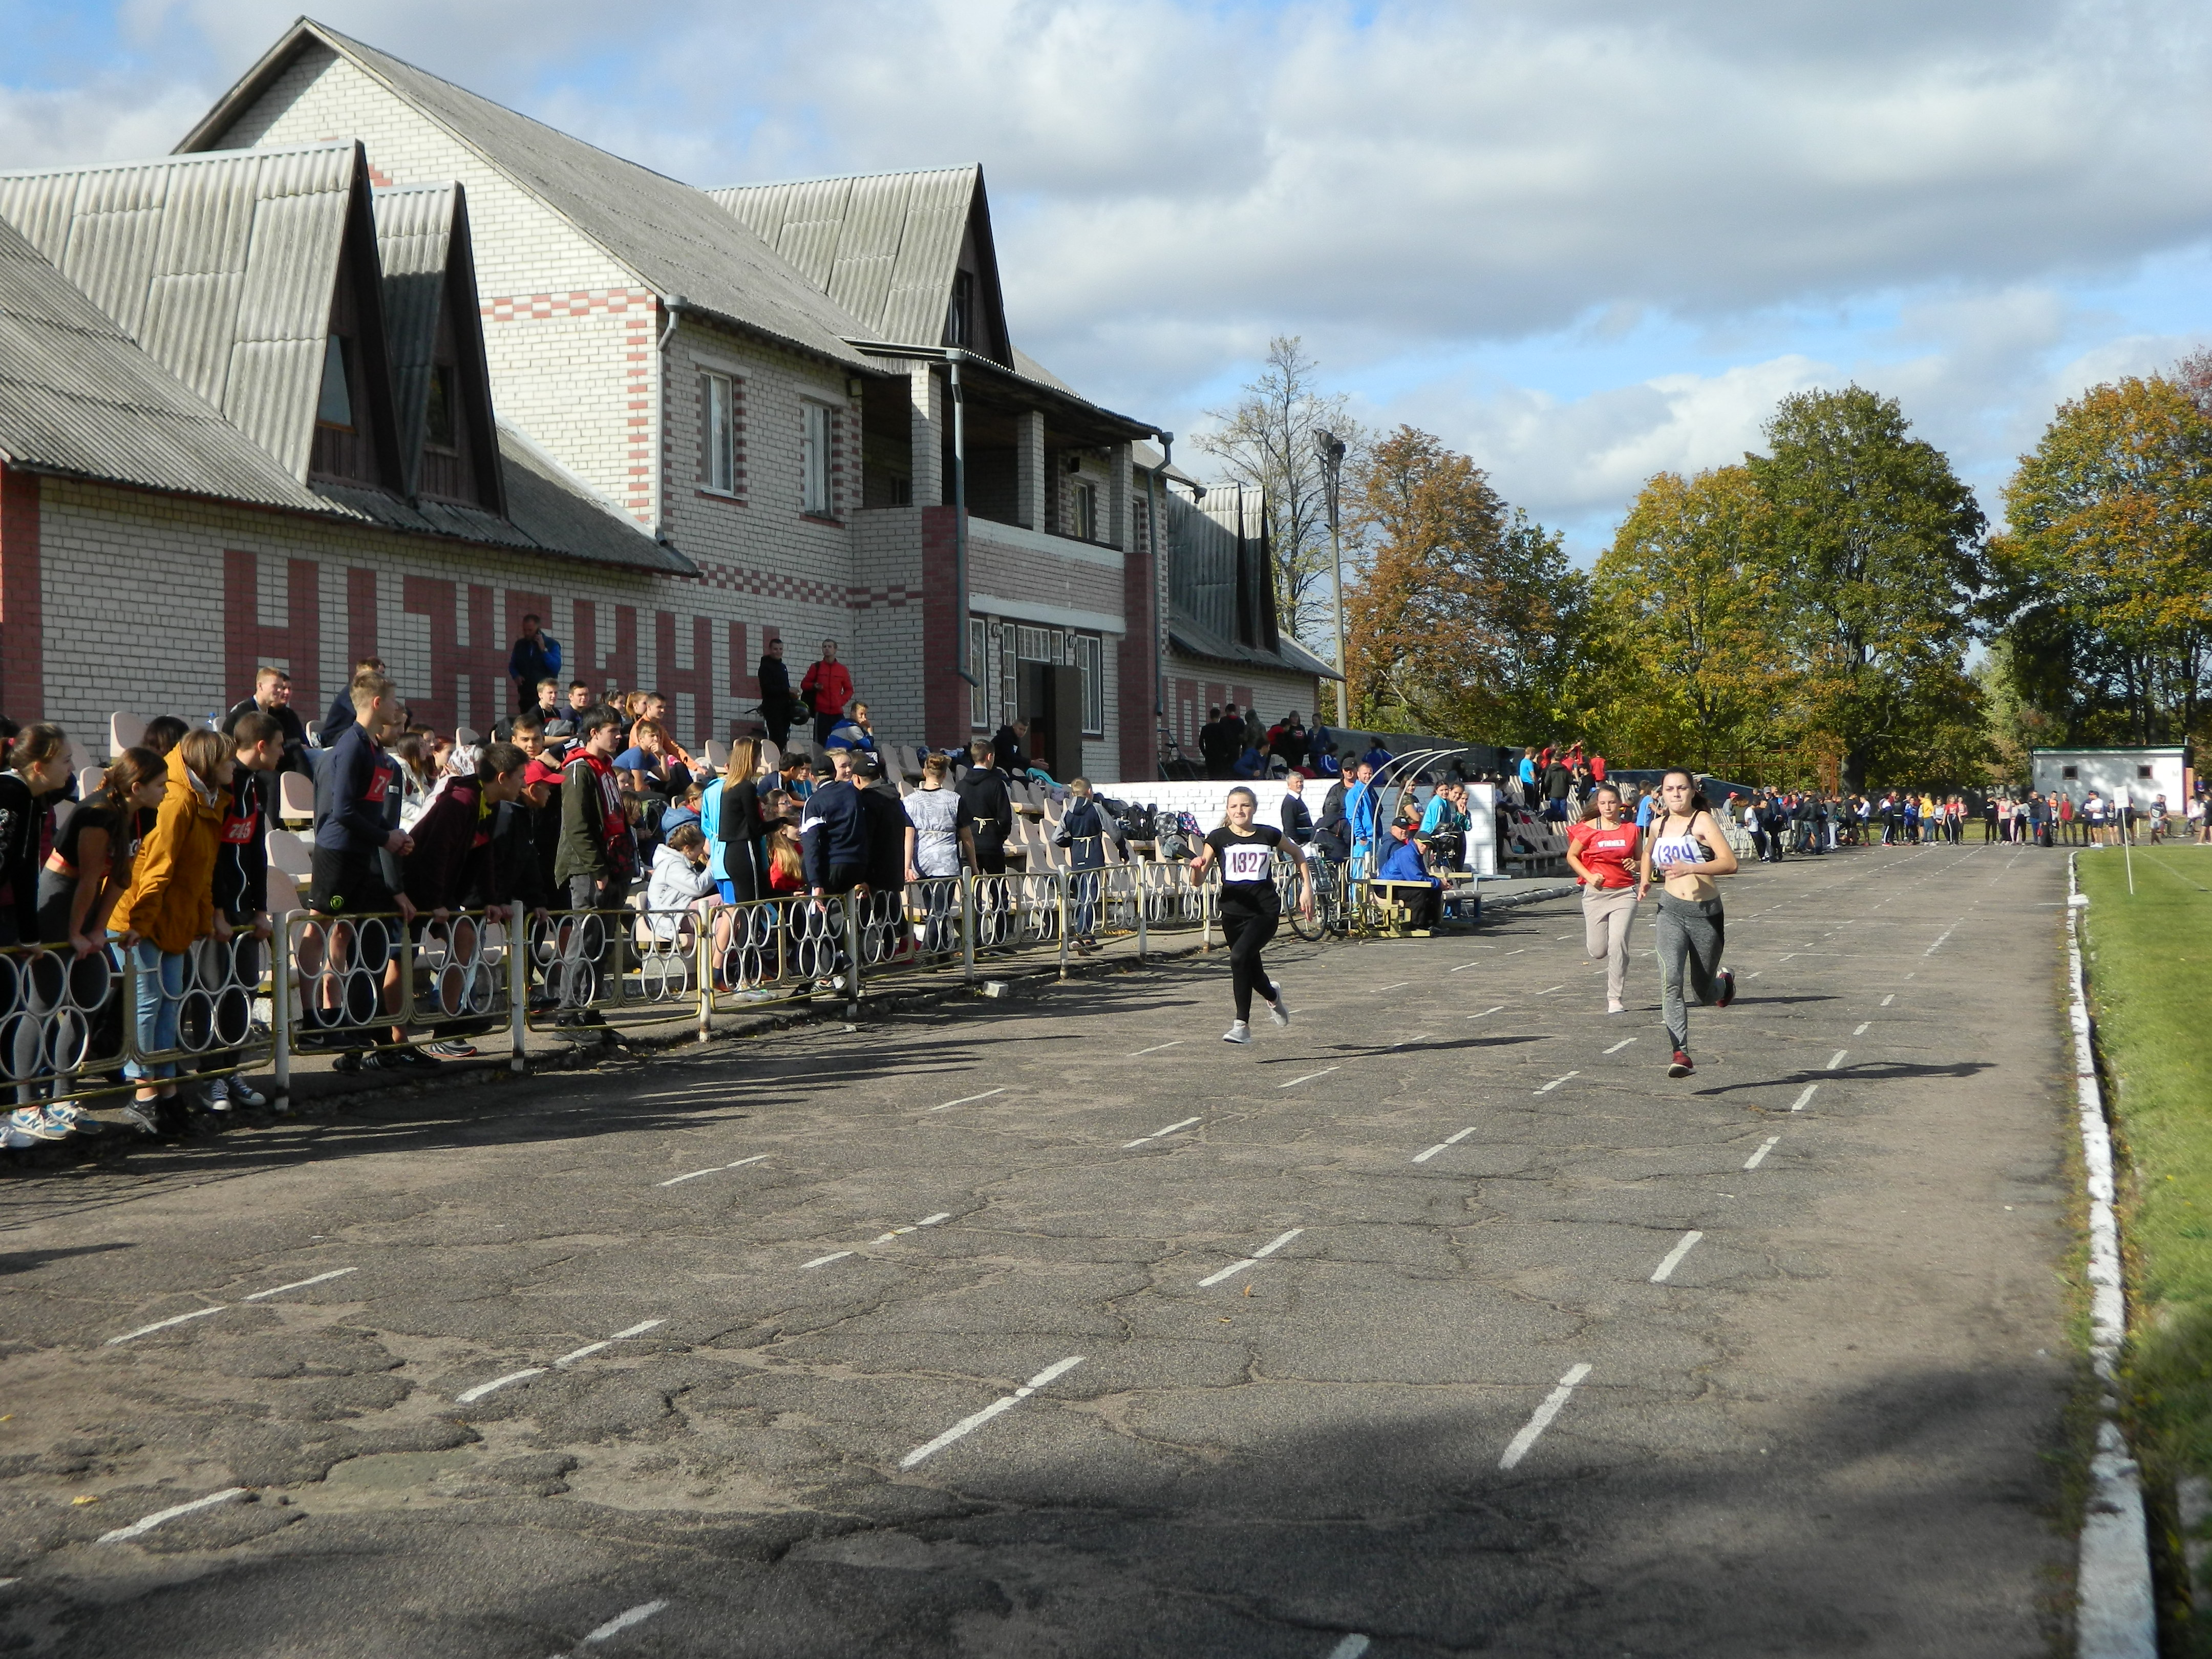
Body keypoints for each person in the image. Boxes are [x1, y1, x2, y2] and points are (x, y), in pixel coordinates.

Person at [113, 729, 231, 1135]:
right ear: (209, 764)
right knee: (148, 1005)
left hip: (172, 919)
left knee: (168, 1006)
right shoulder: (179, 800)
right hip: (142, 920)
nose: (235, 767)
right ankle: (144, 1095)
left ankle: (167, 1094)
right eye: (227, 761)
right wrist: (140, 925)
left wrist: (201, 921)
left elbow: (202, 873)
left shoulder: (207, 802)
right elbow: (155, 868)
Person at [1188, 785, 1311, 1044]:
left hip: (1264, 911)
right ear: (1227, 810)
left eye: (1245, 805)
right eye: (1234, 806)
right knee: (1249, 968)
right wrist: (1196, 868)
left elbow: (1298, 853)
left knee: (1238, 957)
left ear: (1254, 808)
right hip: (1232, 913)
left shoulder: (1268, 835)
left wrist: (1306, 889)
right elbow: (1198, 881)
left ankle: (1241, 1025)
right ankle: (1273, 996)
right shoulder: (1218, 838)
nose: (1239, 811)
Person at [1637, 768, 1739, 1079]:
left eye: (1682, 788)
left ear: (1693, 791)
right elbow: (1647, 852)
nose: (1676, 794)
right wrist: (1644, 881)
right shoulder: (1658, 824)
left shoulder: (1703, 821)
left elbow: (1730, 863)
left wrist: (1690, 867)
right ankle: (1680, 1052)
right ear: (1662, 794)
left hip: (1705, 913)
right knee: (1671, 981)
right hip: (1669, 910)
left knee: (1703, 993)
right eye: (1670, 789)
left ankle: (1724, 986)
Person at [1567, 782, 1641, 1014]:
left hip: (1624, 892)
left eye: (1612, 802)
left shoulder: (1631, 830)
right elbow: (1572, 856)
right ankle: (1602, 947)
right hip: (1596, 894)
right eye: (1603, 803)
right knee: (1598, 951)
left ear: (1620, 804)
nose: (1608, 807)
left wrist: (1636, 864)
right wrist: (1589, 876)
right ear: (1597, 805)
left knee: (1619, 943)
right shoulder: (1588, 829)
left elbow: (1641, 860)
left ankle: (1615, 998)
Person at [0, 722, 72, 947]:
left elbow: (26, 871)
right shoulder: (9, 795)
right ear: (39, 767)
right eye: (66, 760)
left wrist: (30, 937)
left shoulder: (33, 798)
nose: (72, 767)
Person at [1057, 778, 1122, 951]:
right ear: (1090, 792)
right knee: (1090, 897)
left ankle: (1083, 934)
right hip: (1094, 857)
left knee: (1080, 897)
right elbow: (1114, 832)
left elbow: (1056, 838)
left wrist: (1070, 842)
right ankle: (1084, 936)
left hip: (1077, 858)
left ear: (1073, 794)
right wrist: (1122, 849)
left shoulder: (1067, 813)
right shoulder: (1096, 809)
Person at [703, 737, 766, 904]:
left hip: (727, 855)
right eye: (759, 757)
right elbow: (756, 828)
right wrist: (781, 822)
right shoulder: (746, 787)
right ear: (751, 758)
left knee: (741, 908)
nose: (760, 762)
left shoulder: (725, 788)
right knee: (753, 906)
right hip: (745, 851)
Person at [956, 738, 1014, 877]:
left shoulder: (961, 785)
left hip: (968, 844)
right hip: (991, 843)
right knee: (998, 890)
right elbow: (1005, 817)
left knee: (972, 890)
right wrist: (1000, 836)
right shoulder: (996, 783)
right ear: (989, 757)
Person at [1373, 820, 1442, 932]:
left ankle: (1432, 924)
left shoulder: (1415, 853)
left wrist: (1437, 883)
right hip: (1386, 888)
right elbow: (1416, 878)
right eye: (1423, 844)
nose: (1425, 847)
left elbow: (1421, 875)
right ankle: (1416, 925)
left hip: (1397, 885)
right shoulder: (1408, 853)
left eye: (1428, 845)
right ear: (1415, 840)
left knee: (1433, 889)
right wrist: (1438, 882)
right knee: (1420, 892)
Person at [801, 640, 854, 749]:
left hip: (837, 712)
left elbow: (849, 689)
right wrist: (814, 686)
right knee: (820, 744)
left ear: (835, 650)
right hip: (821, 711)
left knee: (842, 742)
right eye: (825, 647)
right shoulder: (816, 667)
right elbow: (804, 684)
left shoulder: (842, 670)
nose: (827, 649)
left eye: (830, 647)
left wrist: (841, 701)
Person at [320, 656, 385, 744]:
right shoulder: (350, 692)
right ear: (359, 676)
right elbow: (363, 713)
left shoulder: (371, 694)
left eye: (382, 674)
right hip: (334, 737)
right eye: (373, 675)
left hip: (349, 733)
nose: (380, 679)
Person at [507, 614, 562, 710]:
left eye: (530, 630)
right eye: (525, 630)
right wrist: (516, 675)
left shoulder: (551, 644)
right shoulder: (520, 645)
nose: (527, 633)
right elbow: (513, 664)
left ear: (538, 629)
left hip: (544, 696)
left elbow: (556, 667)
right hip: (526, 694)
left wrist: (544, 650)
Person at [756, 635, 797, 750]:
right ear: (770, 650)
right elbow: (767, 689)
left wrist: (792, 695)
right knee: (776, 739)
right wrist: (787, 690)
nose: (778, 652)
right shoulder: (765, 667)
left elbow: (785, 687)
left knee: (784, 739)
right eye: (775, 649)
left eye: (781, 649)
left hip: (785, 709)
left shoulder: (782, 667)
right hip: (773, 709)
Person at [1279, 771, 1315, 844]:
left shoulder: (1297, 800)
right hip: (1298, 845)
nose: (1300, 784)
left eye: (1301, 782)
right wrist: (1297, 846)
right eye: (1297, 782)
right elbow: (1289, 827)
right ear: (1289, 785)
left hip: (1304, 843)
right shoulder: (1290, 802)